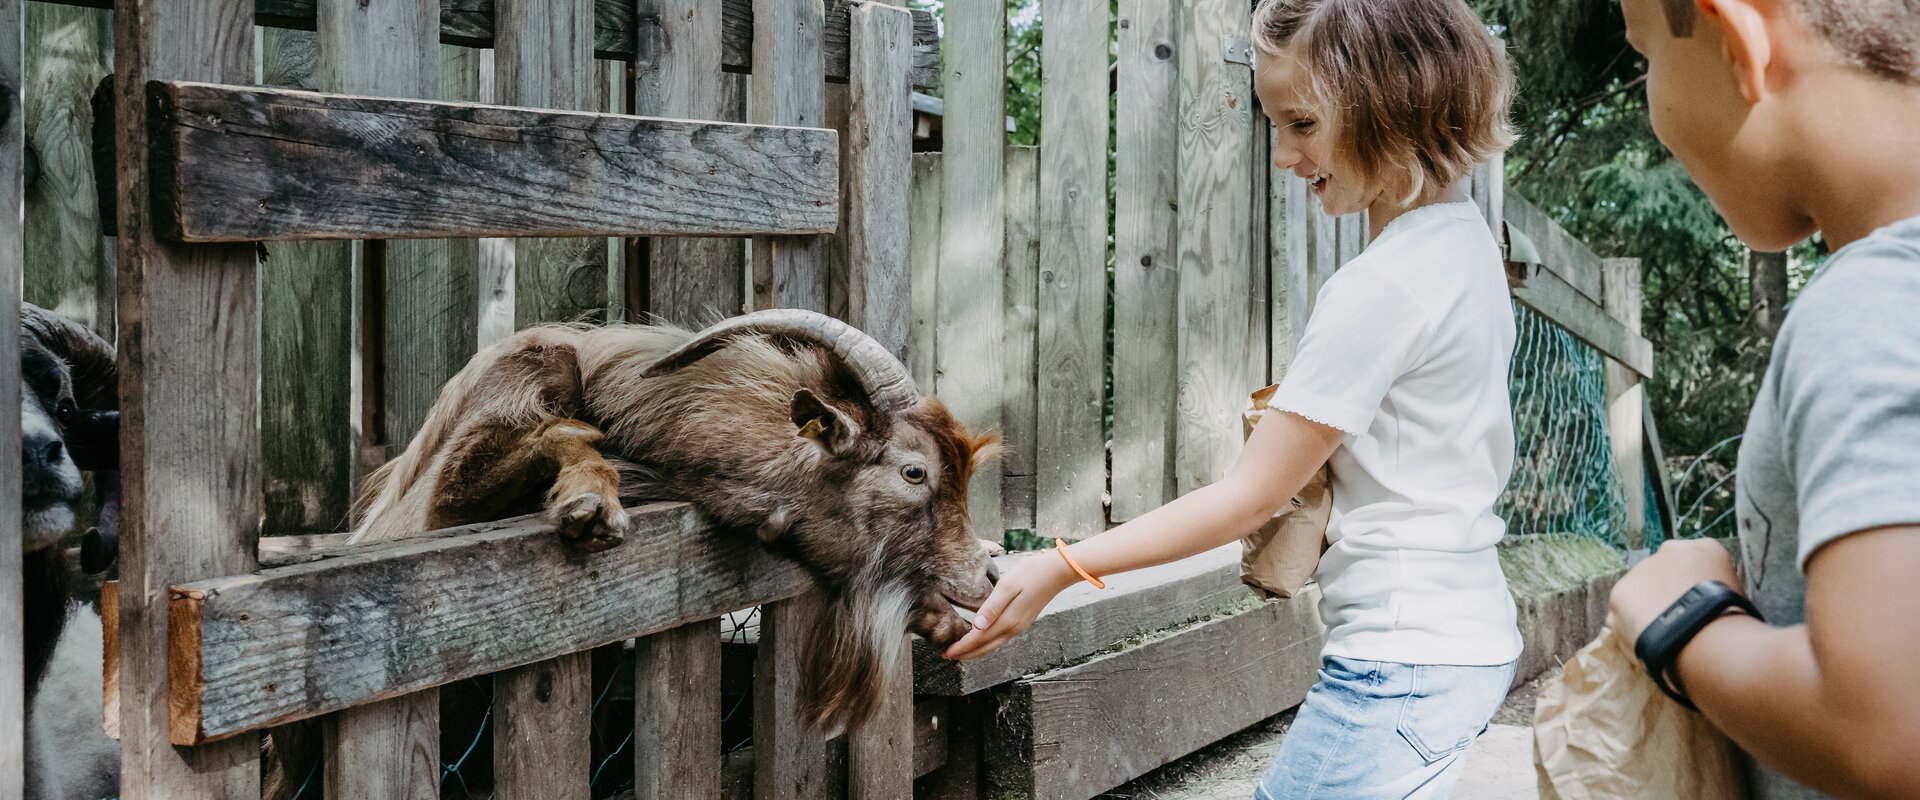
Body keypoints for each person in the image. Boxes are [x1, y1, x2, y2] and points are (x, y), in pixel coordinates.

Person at [942, 1, 1523, 796]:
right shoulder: (1465, 248)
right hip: (1466, 640)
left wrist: (1064, 565)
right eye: (1274, 125)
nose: (1284, 154)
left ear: (1391, 104)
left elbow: (1249, 499)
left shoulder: (1383, 287)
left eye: (1303, 123)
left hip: (1401, 663)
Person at [1604, 0, 1920, 797]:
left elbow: (1891, 728)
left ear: (1742, 41)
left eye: (1646, 58)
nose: (1651, 100)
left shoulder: (1871, 306)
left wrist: (1683, 620)